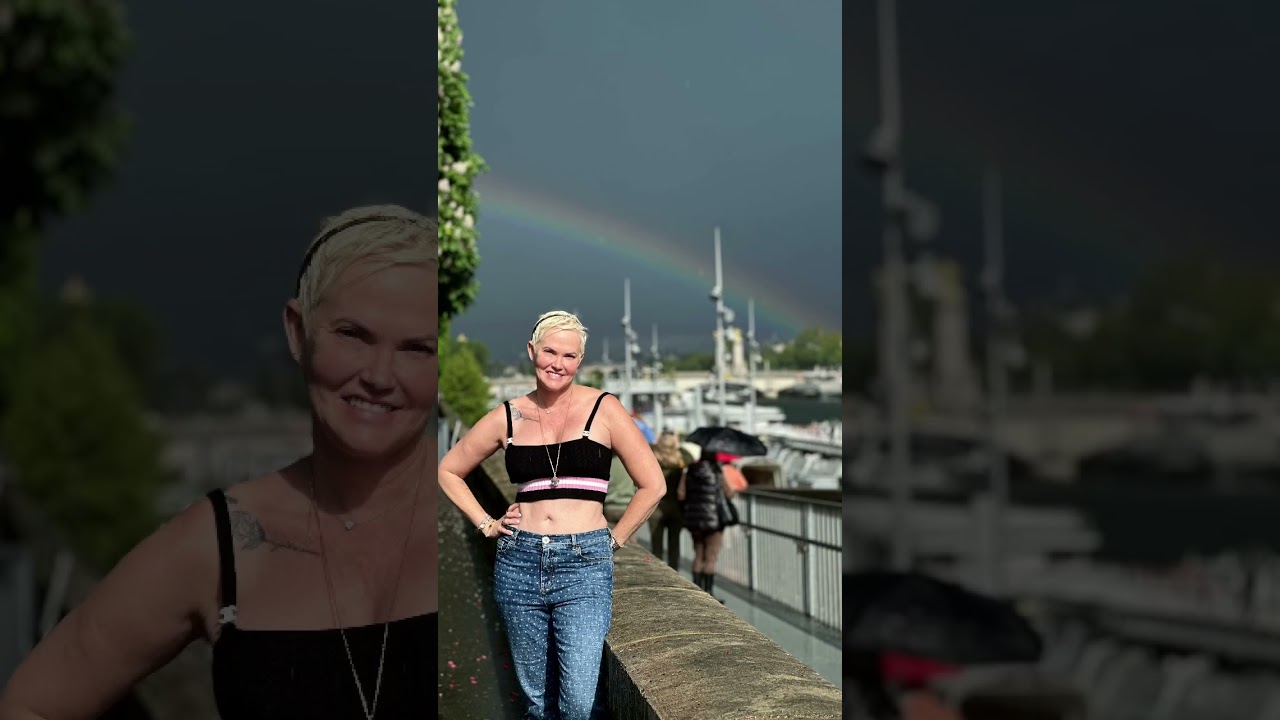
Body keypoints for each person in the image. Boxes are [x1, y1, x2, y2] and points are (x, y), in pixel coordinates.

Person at [0, 205, 442, 719]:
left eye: (417, 349)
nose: (380, 376)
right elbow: (32, 703)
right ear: (297, 331)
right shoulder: (218, 544)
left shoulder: (497, 516)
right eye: (353, 335)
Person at [438, 310, 666, 720]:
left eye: (569, 355)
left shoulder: (604, 409)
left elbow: (653, 484)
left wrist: (613, 539)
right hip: (519, 562)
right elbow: (449, 470)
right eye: (549, 352)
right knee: (538, 703)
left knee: (578, 701)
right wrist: (486, 523)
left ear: (580, 360)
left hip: (584, 565)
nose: (558, 363)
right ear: (532, 351)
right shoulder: (509, 415)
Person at [677, 450, 739, 598]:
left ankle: (696, 592)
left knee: (698, 555)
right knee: (711, 558)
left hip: (694, 520)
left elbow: (681, 494)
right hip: (714, 521)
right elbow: (729, 493)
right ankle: (709, 593)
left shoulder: (690, 470)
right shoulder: (717, 471)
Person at [647, 432, 687, 570]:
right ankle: (674, 571)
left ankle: (656, 572)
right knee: (674, 544)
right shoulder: (680, 461)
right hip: (676, 507)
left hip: (656, 506)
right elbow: (689, 456)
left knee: (656, 545)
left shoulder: (653, 459)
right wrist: (677, 444)